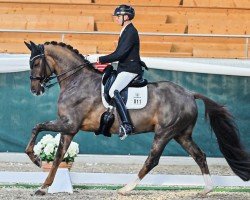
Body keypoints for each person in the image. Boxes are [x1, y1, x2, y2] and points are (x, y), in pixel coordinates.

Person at [92, 5, 145, 139]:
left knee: (113, 91)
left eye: (118, 16)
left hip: (130, 69)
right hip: (124, 68)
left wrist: (99, 59)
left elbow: (120, 54)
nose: (115, 19)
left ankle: (127, 125)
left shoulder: (131, 31)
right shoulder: (125, 30)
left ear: (125, 17)